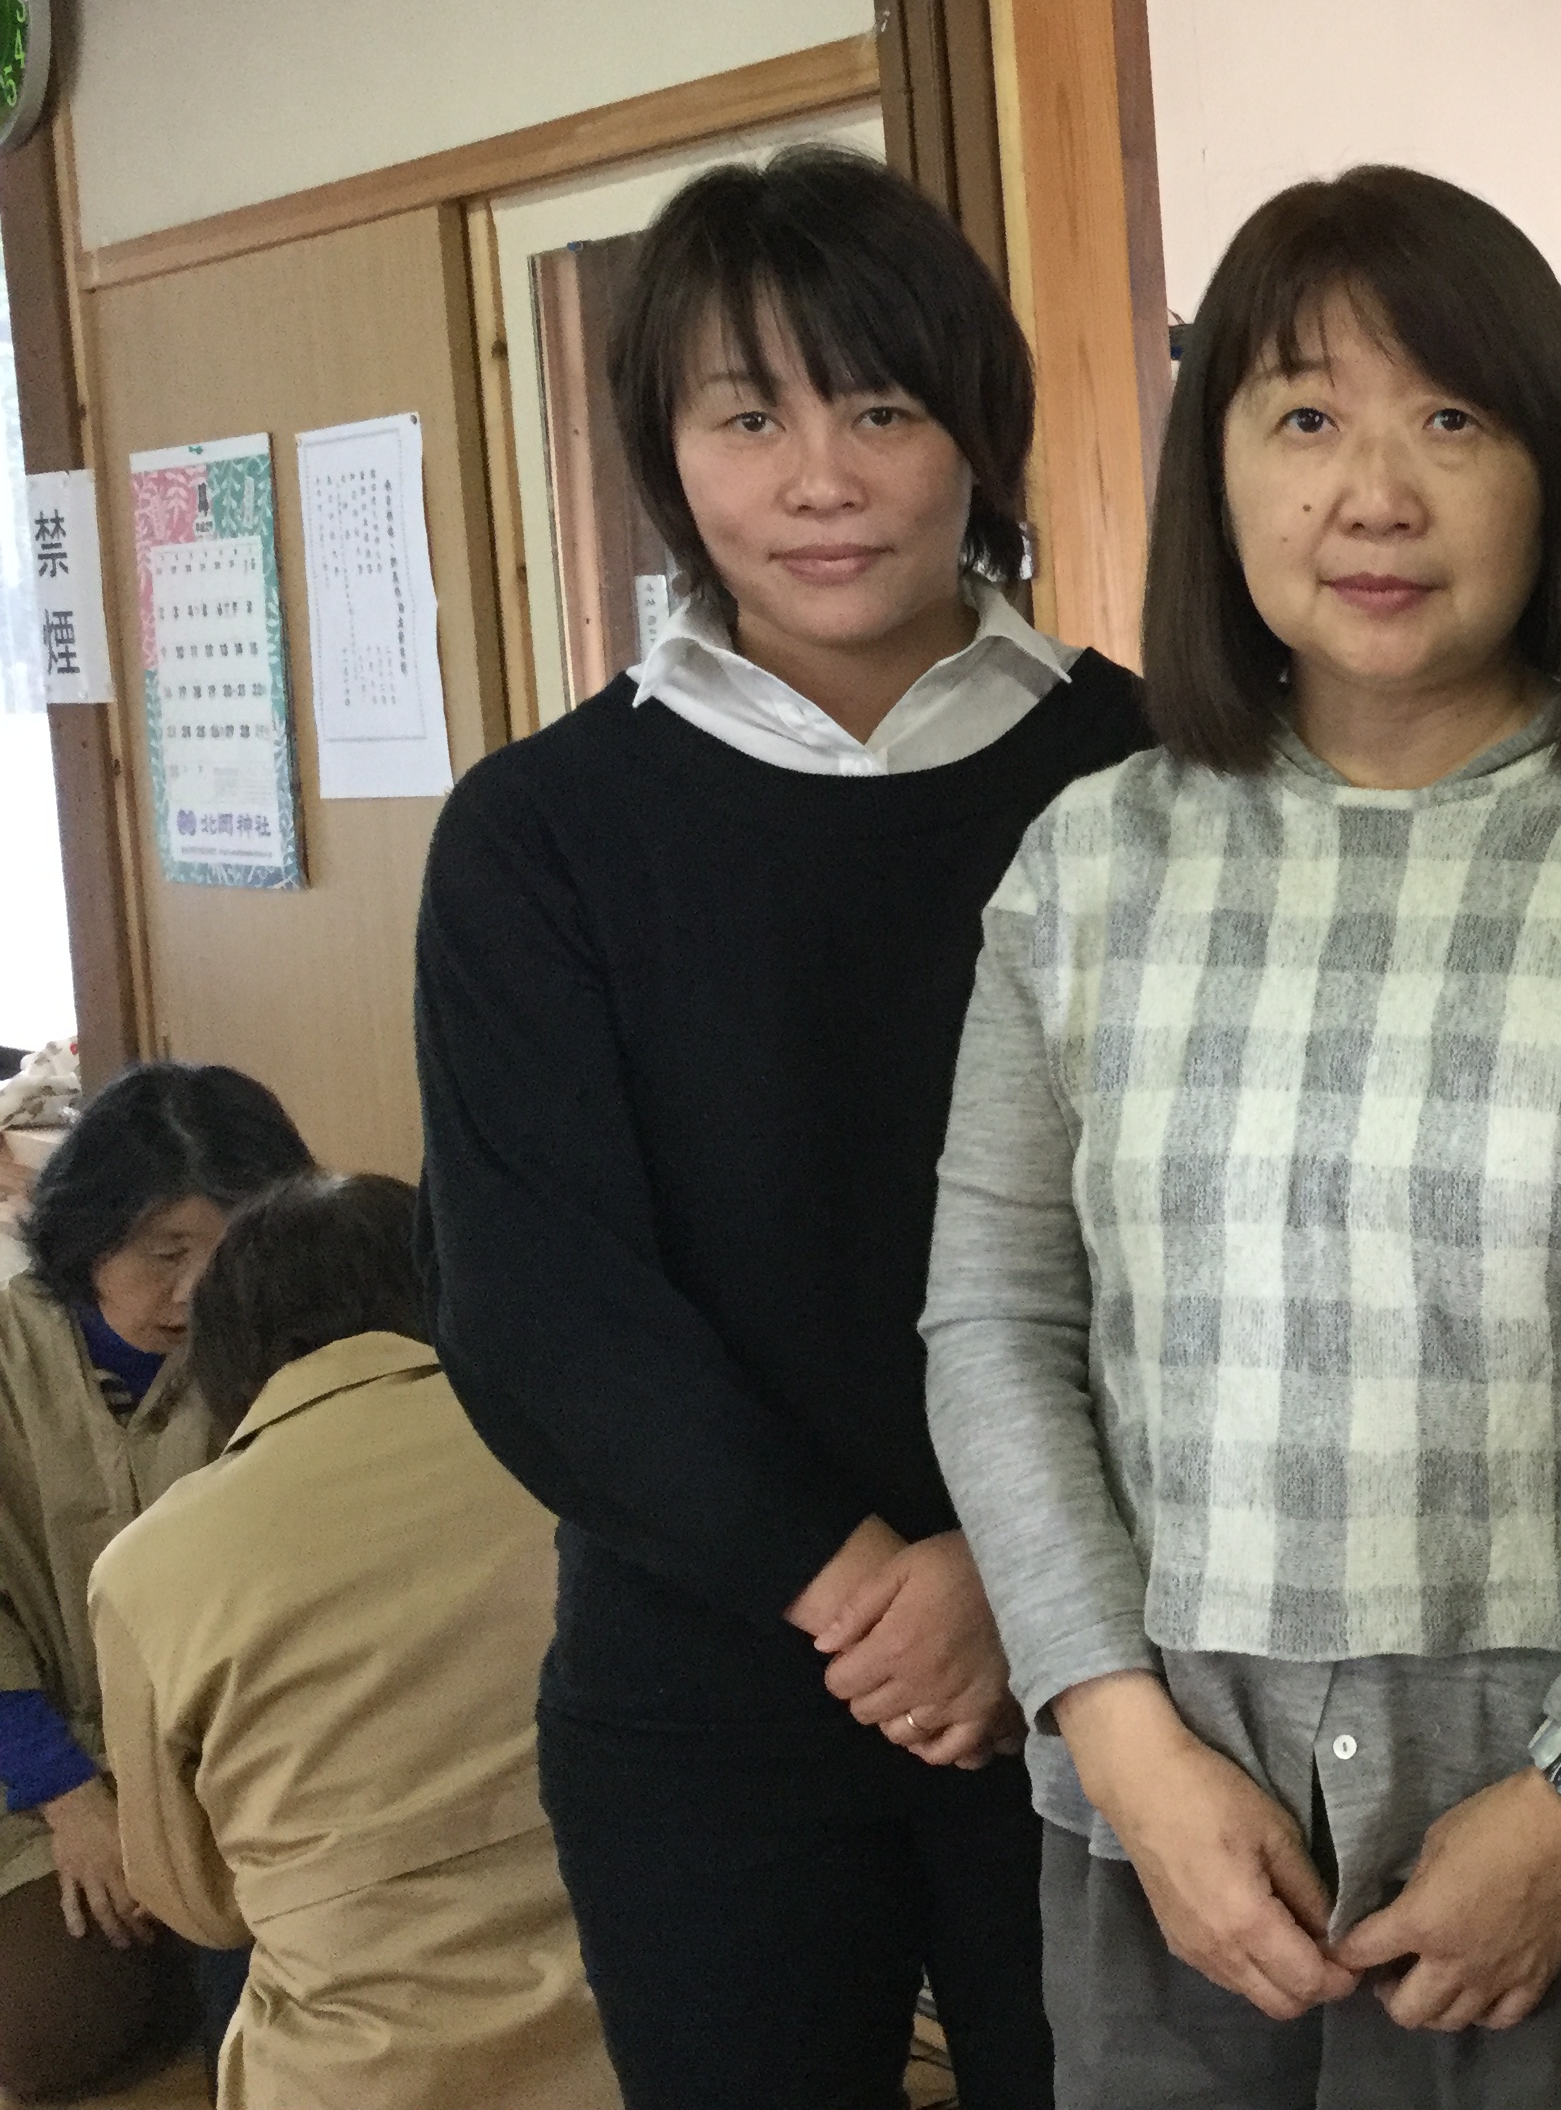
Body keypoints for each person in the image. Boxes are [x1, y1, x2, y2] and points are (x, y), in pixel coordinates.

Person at [921, 164, 1561, 2108]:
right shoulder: (1089, 866)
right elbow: (996, 1327)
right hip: (1175, 1873)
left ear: (1554, 471)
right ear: (1217, 475)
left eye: (1451, 418)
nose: (1374, 494)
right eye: (1303, 420)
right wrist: (1123, 1745)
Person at [415, 146, 1151, 2110]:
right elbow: (536, 1302)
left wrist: (1008, 1579)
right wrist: (863, 1591)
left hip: (1112, 1663)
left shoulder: (1149, 778)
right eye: (749, 418)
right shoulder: (541, 834)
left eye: (882, 409)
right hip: (702, 1695)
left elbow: (1223, 1235)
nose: (821, 478)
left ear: (978, 432)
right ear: (669, 455)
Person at [89, 1172, 616, 2110]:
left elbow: (194, 1903)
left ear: (226, 1346)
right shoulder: (587, 1456)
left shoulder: (148, 1566)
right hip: (646, 2037)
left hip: (359, 2076)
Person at [0, 1060, 307, 2102]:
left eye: (228, 1251)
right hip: (42, 1763)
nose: (192, 1291)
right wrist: (73, 1802)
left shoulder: (284, 1350)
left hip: (234, 1762)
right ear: (88, 1234)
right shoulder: (8, 1346)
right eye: (164, 1253)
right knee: (36, 2038)